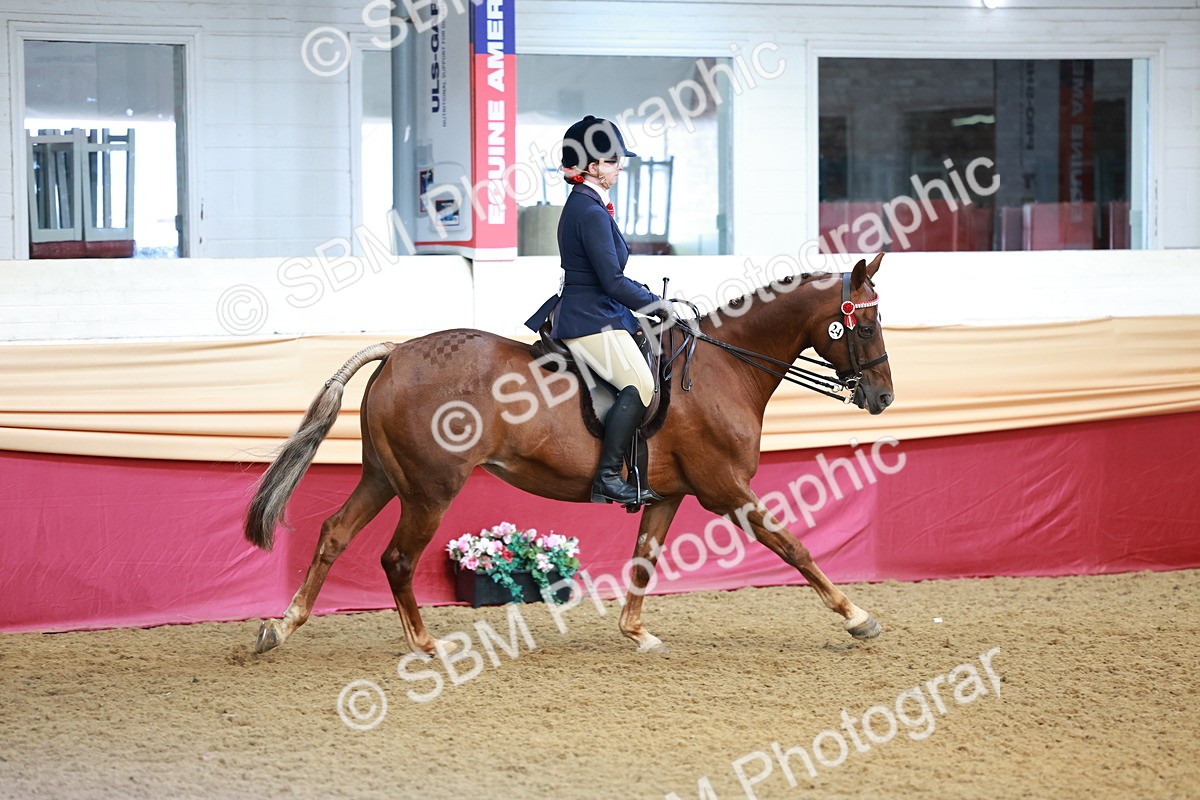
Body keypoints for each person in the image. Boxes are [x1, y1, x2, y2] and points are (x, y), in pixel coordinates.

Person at [525, 115, 673, 507]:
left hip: (598, 309)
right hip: (589, 317)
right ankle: (607, 477)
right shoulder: (588, 211)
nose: (620, 167)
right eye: (613, 161)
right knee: (641, 385)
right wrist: (657, 306)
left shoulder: (588, 203)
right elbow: (611, 280)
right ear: (593, 166)